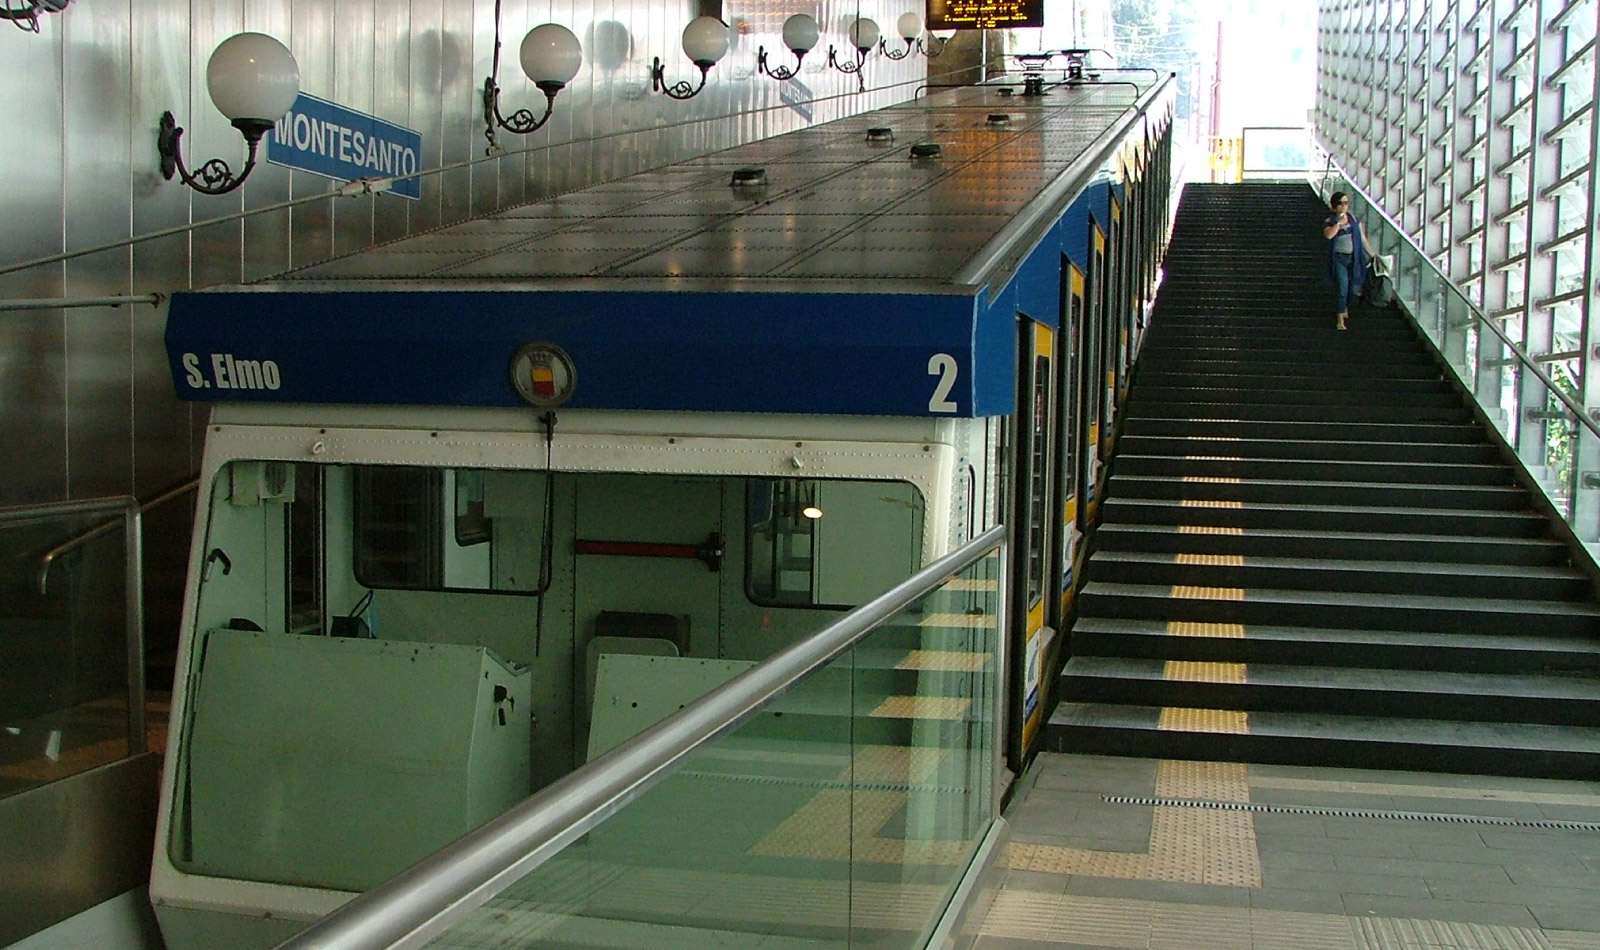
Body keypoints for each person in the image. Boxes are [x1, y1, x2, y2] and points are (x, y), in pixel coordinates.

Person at [1323, 192, 1372, 330]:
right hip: (1339, 258)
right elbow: (1329, 235)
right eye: (1340, 203)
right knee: (1342, 287)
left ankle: (1344, 306)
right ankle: (1339, 319)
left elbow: (1362, 239)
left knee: (1354, 288)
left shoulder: (1354, 220)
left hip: (1354, 258)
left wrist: (1372, 254)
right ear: (1334, 207)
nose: (1344, 206)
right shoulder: (1330, 221)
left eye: (1346, 203)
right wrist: (1338, 222)